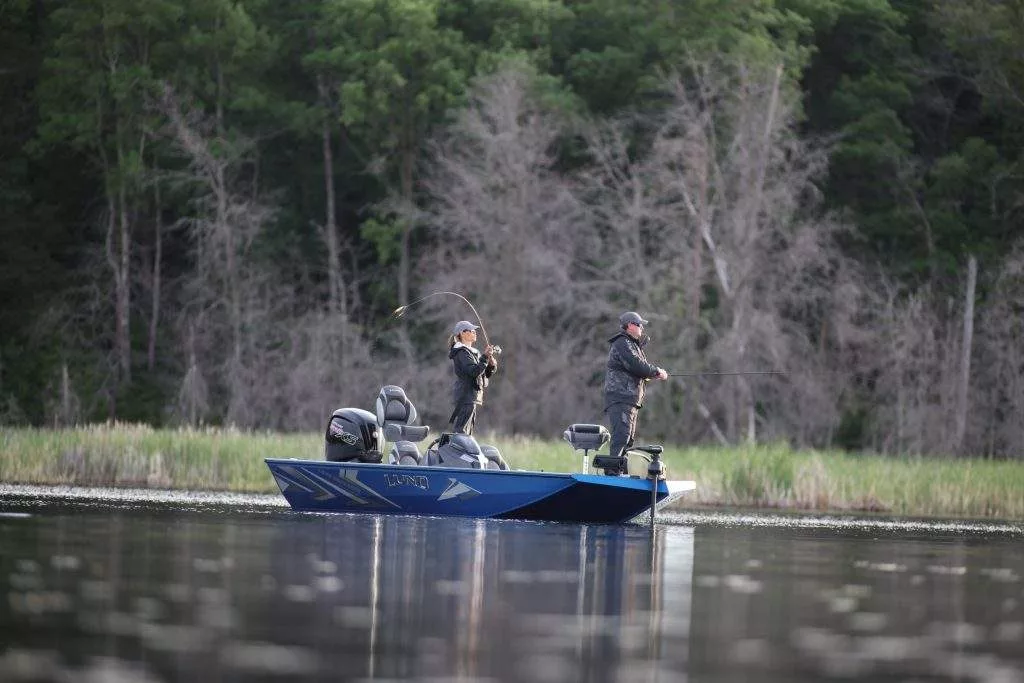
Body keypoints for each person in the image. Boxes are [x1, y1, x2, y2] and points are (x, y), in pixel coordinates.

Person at [603, 311, 668, 474]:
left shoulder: (632, 344)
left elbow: (637, 369)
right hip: (620, 398)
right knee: (621, 436)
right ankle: (612, 475)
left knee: (627, 439)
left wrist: (651, 374)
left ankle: (619, 473)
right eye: (640, 325)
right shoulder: (622, 343)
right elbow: (637, 365)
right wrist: (656, 371)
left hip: (629, 401)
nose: (641, 329)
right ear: (631, 325)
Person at [448, 320, 497, 435]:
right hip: (466, 395)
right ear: (462, 333)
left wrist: (491, 365)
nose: (474, 332)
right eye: (471, 330)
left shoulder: (473, 353)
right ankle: (456, 452)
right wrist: (484, 357)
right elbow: (474, 371)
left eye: (474, 331)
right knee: (461, 432)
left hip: (472, 396)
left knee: (468, 432)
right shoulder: (462, 352)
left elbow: (485, 375)